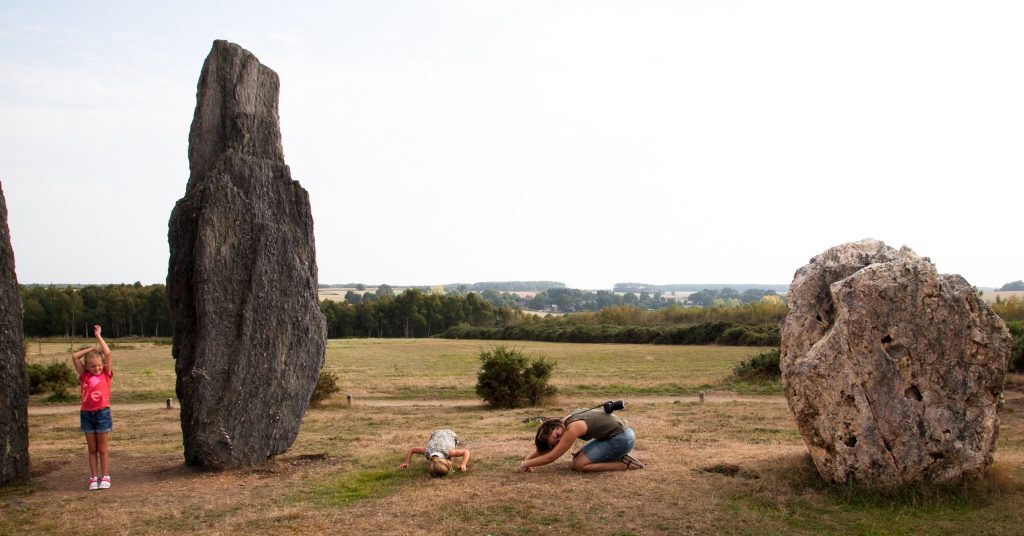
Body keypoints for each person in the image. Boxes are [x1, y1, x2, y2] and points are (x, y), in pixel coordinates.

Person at [520, 406, 644, 473]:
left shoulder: (572, 428)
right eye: (556, 442)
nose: (560, 441)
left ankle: (625, 464)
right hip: (619, 434)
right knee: (576, 459)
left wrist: (525, 464)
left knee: (579, 465)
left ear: (554, 425)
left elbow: (551, 456)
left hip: (622, 438)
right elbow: (545, 450)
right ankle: (620, 457)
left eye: (557, 436)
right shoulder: (568, 419)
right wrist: (528, 459)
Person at [71, 325, 113, 491]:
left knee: (102, 449)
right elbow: (75, 357)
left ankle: (105, 476)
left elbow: (108, 353)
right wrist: (91, 349)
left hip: (102, 413)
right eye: (93, 366)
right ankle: (93, 477)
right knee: (92, 449)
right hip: (86, 414)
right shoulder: (84, 376)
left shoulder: (106, 374)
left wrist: (98, 337)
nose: (97, 368)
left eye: (99, 365)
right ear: (87, 367)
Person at [398, 429, 470, 477]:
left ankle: (450, 459)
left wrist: (463, 464)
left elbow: (466, 452)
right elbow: (412, 449)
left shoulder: (448, 451)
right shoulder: (427, 451)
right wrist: (406, 462)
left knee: (451, 453)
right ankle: (449, 460)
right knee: (450, 455)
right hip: (436, 434)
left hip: (450, 434)